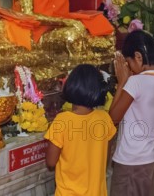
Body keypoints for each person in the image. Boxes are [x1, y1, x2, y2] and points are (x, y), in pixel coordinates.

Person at [108, 30, 154, 196]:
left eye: (128, 62)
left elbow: (112, 118)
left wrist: (122, 83)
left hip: (131, 161)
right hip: (151, 159)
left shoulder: (136, 82)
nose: (128, 68)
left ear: (138, 56)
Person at [45, 64, 117, 196]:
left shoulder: (62, 121)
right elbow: (105, 158)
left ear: (71, 87)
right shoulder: (104, 118)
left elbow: (50, 162)